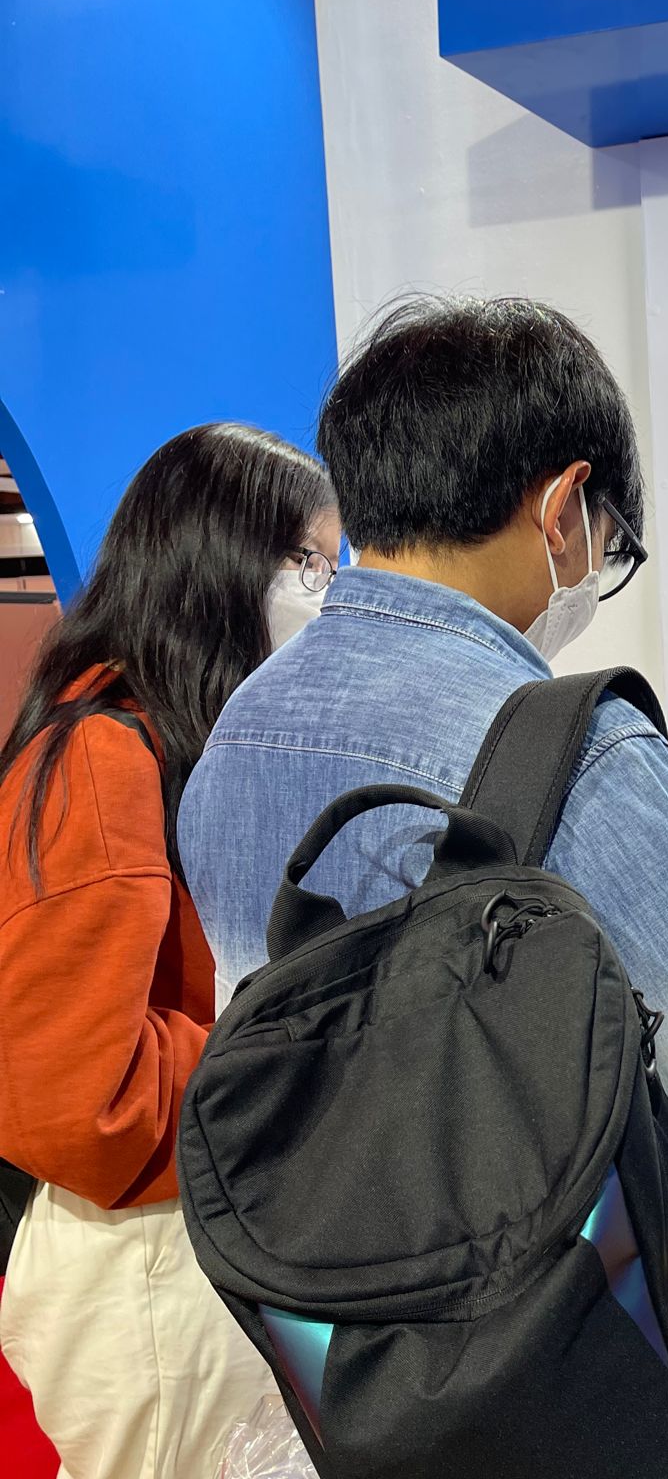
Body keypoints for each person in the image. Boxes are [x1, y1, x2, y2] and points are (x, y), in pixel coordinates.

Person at [178, 295, 668, 1230]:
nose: (598, 572)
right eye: (611, 544)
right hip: (528, 1300)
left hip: (305, 1290)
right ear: (563, 510)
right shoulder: (587, 752)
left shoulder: (238, 726)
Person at [0, 423, 339, 1479]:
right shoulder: (102, 753)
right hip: (143, 1270)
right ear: (219, 557)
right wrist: (292, 1048)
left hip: (188, 1239)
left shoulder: (168, 742)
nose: (326, 596)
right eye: (309, 563)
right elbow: (78, 1097)